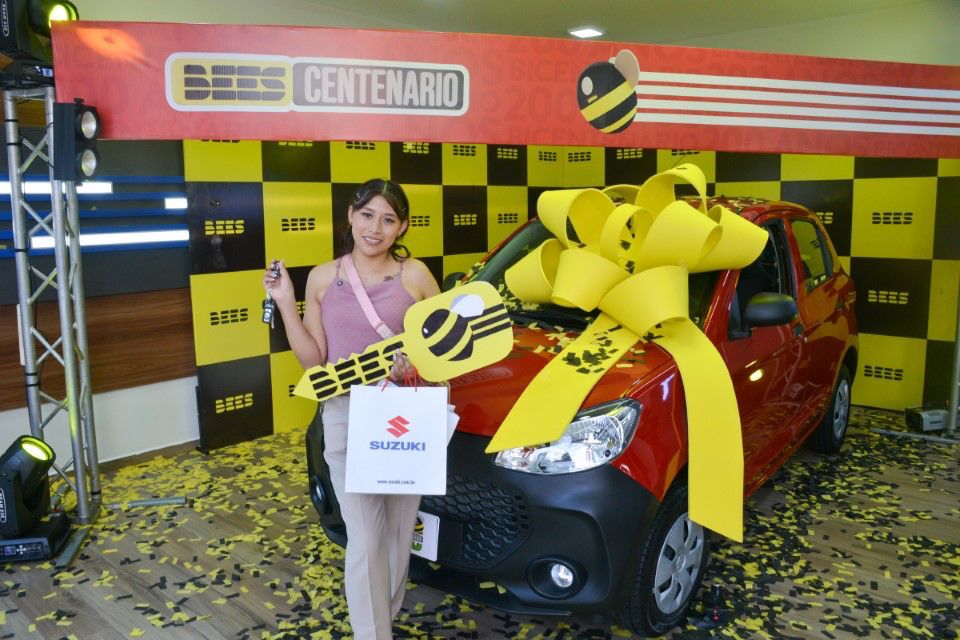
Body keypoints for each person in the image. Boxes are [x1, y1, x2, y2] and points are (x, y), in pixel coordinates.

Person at [263, 178, 440, 640]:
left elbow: (442, 352)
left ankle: (384, 619)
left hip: (404, 418)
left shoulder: (416, 276)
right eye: (367, 215)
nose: (375, 229)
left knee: (398, 535)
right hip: (345, 415)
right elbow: (314, 358)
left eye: (388, 219)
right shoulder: (324, 278)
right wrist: (284, 302)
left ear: (402, 227)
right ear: (350, 215)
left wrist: (415, 368)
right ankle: (373, 633)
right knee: (365, 535)